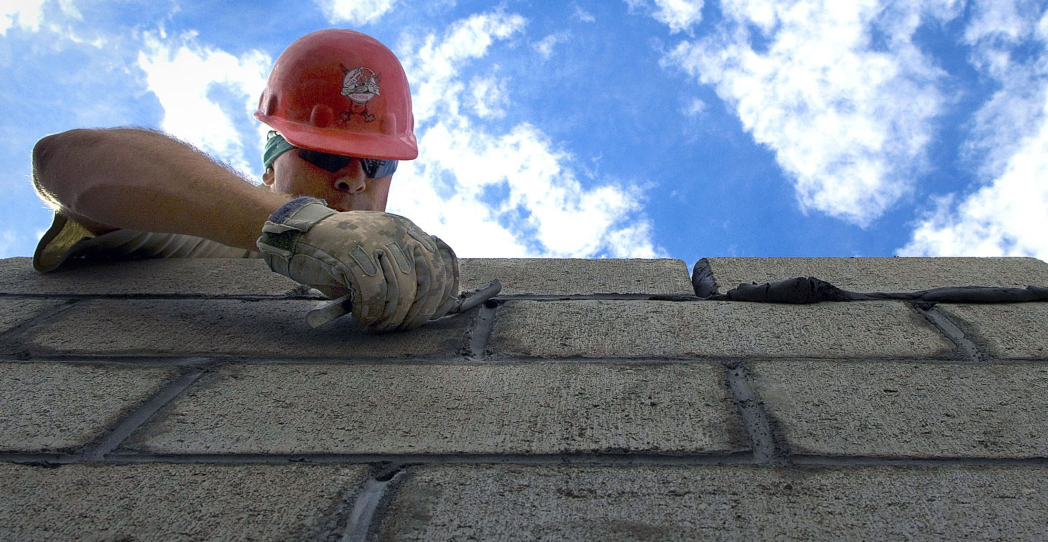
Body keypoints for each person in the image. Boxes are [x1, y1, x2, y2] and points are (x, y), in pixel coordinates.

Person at [30, 29, 459, 332]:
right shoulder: (200, 235)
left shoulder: (405, 281)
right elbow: (62, 160)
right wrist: (299, 226)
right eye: (324, 154)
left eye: (377, 165)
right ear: (272, 166)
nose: (354, 180)